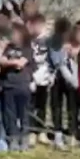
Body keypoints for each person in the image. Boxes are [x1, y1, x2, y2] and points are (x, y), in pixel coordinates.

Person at [0, 22, 35, 152]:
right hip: (9, 85)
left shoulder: (27, 49)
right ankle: (13, 139)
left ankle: (24, 138)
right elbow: (1, 61)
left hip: (23, 85)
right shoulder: (8, 47)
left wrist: (10, 62)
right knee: (11, 114)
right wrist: (12, 62)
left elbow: (21, 64)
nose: (12, 36)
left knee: (24, 113)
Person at [46, 16, 73, 148]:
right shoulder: (53, 41)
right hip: (57, 76)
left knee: (71, 106)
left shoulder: (71, 41)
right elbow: (56, 61)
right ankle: (58, 135)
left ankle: (71, 133)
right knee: (57, 106)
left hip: (70, 75)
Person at [58, 25, 80, 146]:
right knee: (72, 110)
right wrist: (72, 81)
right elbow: (63, 65)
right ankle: (72, 134)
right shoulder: (67, 49)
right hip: (72, 83)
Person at [27, 12, 52, 145]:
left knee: (42, 106)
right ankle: (31, 131)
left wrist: (51, 75)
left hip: (44, 77)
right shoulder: (28, 40)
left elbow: (53, 59)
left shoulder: (48, 40)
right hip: (32, 77)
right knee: (31, 106)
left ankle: (41, 131)